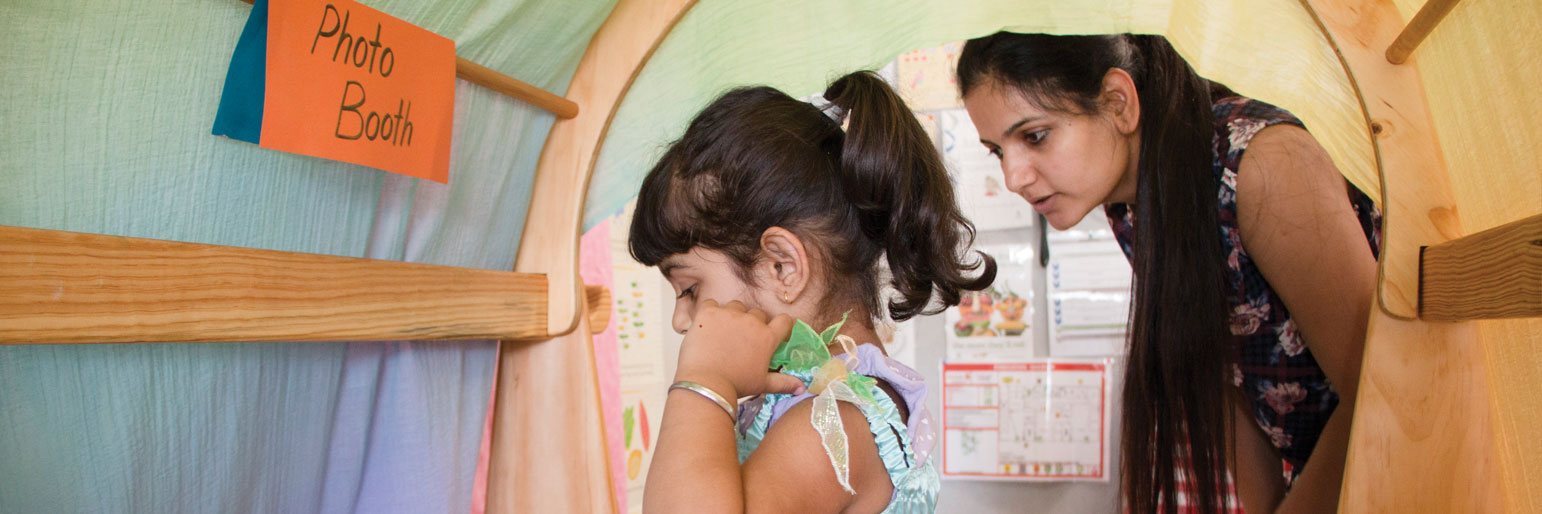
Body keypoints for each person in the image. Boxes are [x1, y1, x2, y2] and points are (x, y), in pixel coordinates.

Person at [955, 32, 1380, 514]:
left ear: (1118, 102)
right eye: (997, 151)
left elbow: (1380, 385)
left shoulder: (1263, 164)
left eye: (1034, 136)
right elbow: (1224, 373)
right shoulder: (1131, 204)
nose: (1014, 177)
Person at [630, 71, 995, 514]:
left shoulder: (832, 426)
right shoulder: (825, 406)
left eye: (689, 288)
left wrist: (705, 380)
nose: (681, 320)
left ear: (783, 266)